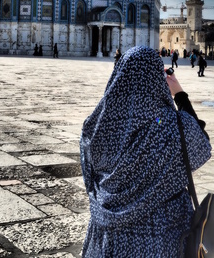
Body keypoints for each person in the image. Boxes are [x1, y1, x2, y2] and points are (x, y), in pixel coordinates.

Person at [80, 45, 211, 258]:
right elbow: (201, 146)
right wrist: (180, 95)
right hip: (162, 237)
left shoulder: (96, 127)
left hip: (108, 240)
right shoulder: (170, 125)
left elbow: (89, 181)